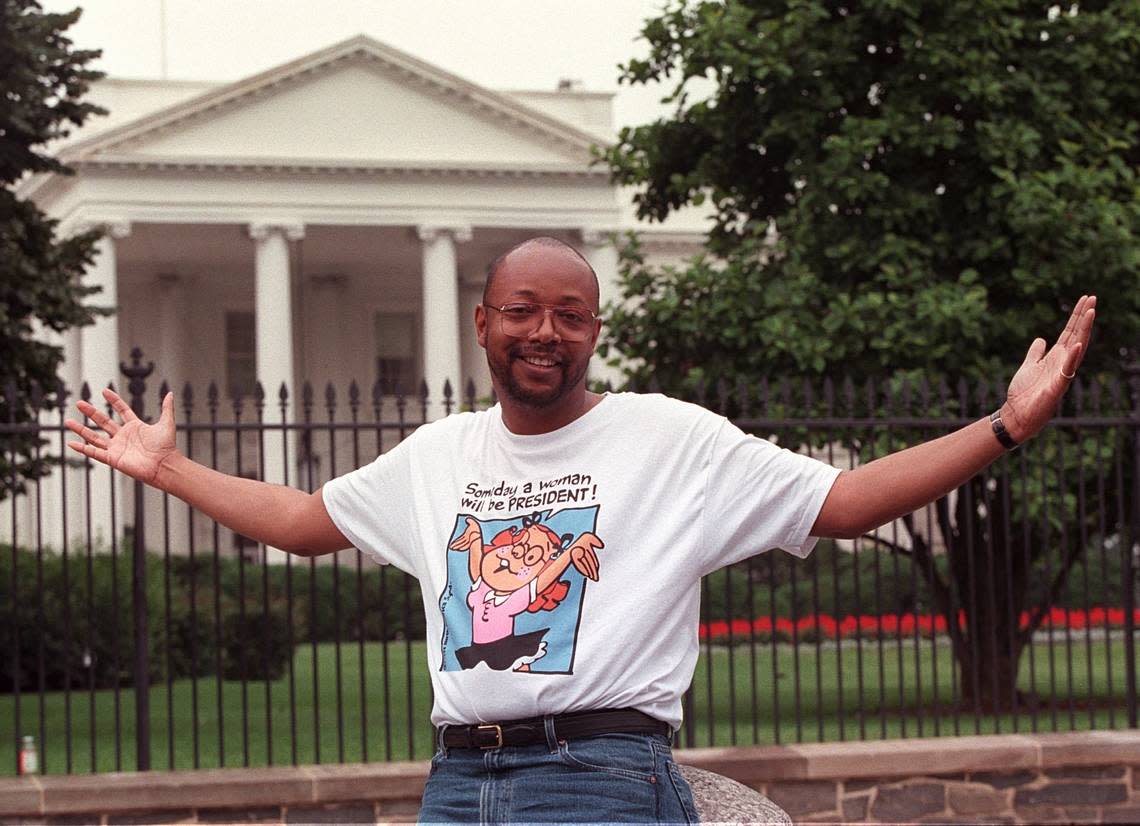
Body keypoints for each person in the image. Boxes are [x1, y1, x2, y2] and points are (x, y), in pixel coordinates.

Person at [66, 237, 1096, 824]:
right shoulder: (438, 457)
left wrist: (1004, 427)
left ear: (595, 330)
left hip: (600, 776)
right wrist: (166, 469)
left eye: (569, 313)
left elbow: (849, 496)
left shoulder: (669, 440)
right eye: (521, 310)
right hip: (459, 780)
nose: (543, 332)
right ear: (484, 324)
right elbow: (301, 521)